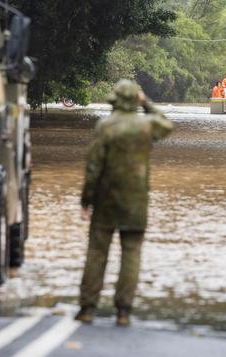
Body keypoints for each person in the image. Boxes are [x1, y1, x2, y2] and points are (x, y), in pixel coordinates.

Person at [75, 79, 173, 327]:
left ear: (114, 99)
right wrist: (147, 104)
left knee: (97, 252)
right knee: (131, 254)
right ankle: (123, 312)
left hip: (105, 199)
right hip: (136, 201)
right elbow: (167, 125)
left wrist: (86, 199)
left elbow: (93, 167)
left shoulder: (105, 126)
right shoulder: (146, 126)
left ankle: (87, 308)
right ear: (135, 100)